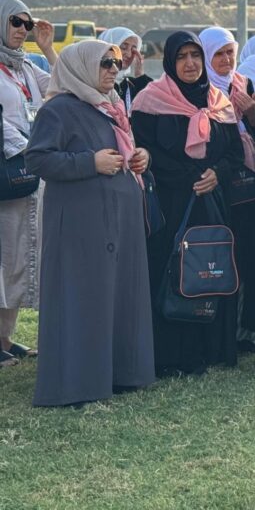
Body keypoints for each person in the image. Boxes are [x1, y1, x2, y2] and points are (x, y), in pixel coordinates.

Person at [24, 40, 155, 405]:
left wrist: (140, 156)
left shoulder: (110, 105)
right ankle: (78, 382)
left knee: (118, 294)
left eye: (116, 63)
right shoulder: (58, 109)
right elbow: (37, 159)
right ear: (80, 67)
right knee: (83, 296)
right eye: (105, 63)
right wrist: (89, 163)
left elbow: (124, 148)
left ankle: (121, 373)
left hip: (119, 217)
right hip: (80, 222)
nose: (114, 69)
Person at [131, 31, 244, 377]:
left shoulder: (219, 102)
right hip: (171, 204)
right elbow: (146, 150)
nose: (190, 63)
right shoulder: (150, 101)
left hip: (211, 201)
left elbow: (235, 153)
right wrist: (191, 176)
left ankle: (210, 349)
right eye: (182, 57)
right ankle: (169, 355)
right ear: (169, 61)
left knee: (210, 268)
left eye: (195, 55)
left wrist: (216, 174)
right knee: (170, 271)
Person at [200, 27, 255, 350]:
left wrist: (251, 111)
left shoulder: (243, 83)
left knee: (247, 254)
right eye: (219, 53)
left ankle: (245, 331)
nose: (227, 59)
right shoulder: (200, 89)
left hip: (245, 184)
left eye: (230, 52)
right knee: (218, 253)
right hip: (216, 181)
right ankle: (217, 330)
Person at [0, 0, 54, 367]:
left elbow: (67, 87)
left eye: (27, 24)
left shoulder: (27, 68)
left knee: (21, 255)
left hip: (28, 173)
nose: (22, 29)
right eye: (15, 22)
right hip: (10, 168)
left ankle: (5, 338)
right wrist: (28, 148)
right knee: (3, 256)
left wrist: (47, 48)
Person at [99, 27, 150, 112]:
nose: (129, 54)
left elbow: (150, 107)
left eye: (133, 50)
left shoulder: (130, 84)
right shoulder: (96, 83)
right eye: (123, 47)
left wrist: (140, 74)